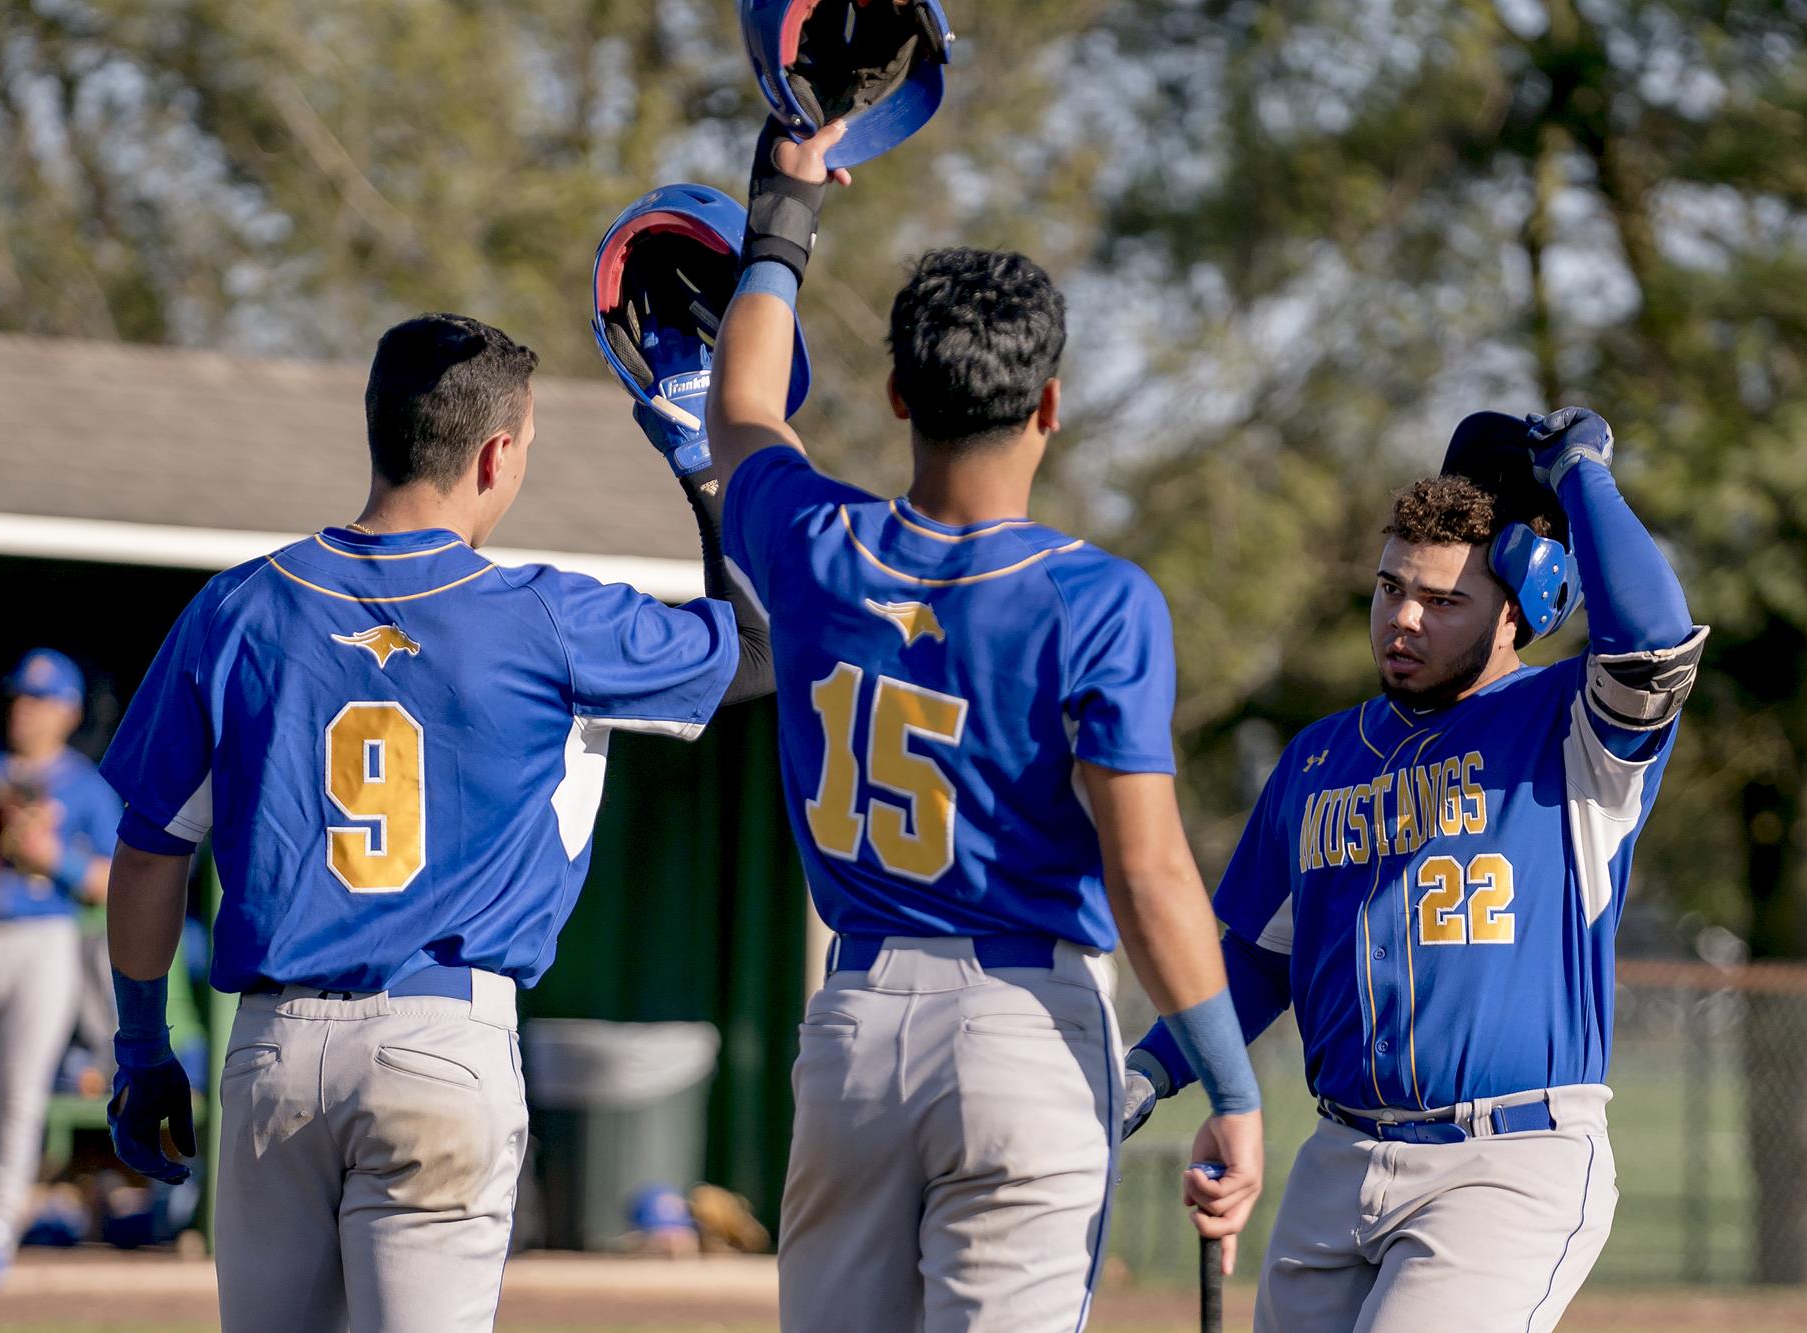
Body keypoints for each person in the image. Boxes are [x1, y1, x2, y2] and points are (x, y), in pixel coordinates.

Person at [98, 313, 772, 1332]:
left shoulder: (240, 607)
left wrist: (144, 1047)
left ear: (380, 428)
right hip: (443, 1042)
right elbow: (760, 649)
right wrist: (695, 453)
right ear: (496, 453)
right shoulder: (547, 616)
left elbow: (149, 856)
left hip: (276, 1047)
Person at [707, 119, 1265, 1332]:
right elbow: (1150, 870)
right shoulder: (1097, 597)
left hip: (854, 1029)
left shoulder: (816, 543)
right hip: (1026, 1031)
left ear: (898, 393)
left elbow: (742, 403)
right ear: (1050, 404)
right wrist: (1227, 1081)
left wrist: (783, 207)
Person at [1122, 407, 1707, 1330]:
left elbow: (1653, 639)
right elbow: (1258, 961)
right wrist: (1152, 1070)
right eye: (1391, 586)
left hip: (1505, 1162)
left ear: (1521, 604)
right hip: (1338, 1156)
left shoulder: (1572, 729)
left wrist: (1583, 475)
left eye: (1443, 601)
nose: (1403, 616)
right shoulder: (1319, 759)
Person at [0, 648, 119, 1280]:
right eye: (20, 696)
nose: (25, 709)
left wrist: (52, 859)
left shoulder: (84, 785)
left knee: (20, 1090)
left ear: (68, 712)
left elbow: (117, 879)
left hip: (45, 938)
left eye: (39, 699)